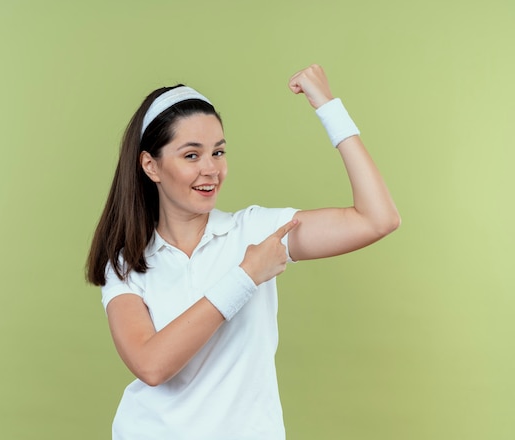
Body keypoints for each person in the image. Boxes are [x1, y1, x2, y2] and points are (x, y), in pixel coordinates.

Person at [86, 64, 400, 439]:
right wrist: (246, 276)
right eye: (191, 155)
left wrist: (328, 107)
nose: (211, 170)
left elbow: (377, 219)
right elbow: (152, 365)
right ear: (151, 165)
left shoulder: (255, 232)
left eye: (218, 152)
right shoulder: (126, 263)